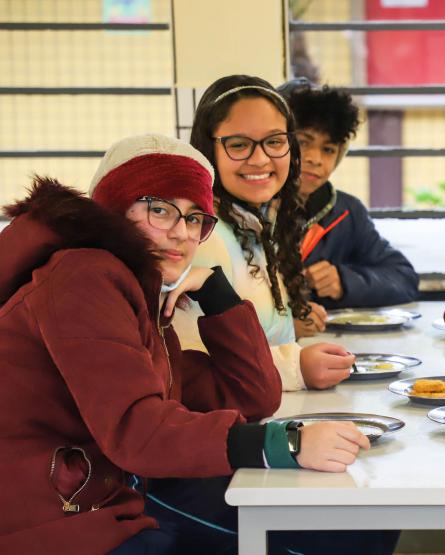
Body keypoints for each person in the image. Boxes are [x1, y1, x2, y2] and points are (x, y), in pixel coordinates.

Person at [0, 134, 371, 554]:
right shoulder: (84, 276)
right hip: (46, 521)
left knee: (356, 523)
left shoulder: (141, 295)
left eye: (196, 218)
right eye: (161, 209)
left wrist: (217, 292)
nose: (181, 233)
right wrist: (286, 443)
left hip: (104, 498)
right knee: (337, 533)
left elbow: (252, 396)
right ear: (113, 211)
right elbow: (137, 429)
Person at [174, 74, 353, 391]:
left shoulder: (257, 222)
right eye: (239, 145)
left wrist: (294, 349)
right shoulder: (201, 236)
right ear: (207, 148)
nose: (259, 159)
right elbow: (193, 361)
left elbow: (257, 338)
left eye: (274, 142)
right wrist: (296, 367)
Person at [277, 78, 418, 330]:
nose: (315, 159)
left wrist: (344, 281)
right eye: (304, 142)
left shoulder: (346, 211)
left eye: (329, 149)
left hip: (329, 351)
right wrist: (283, 324)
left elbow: (403, 278)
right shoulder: (251, 210)